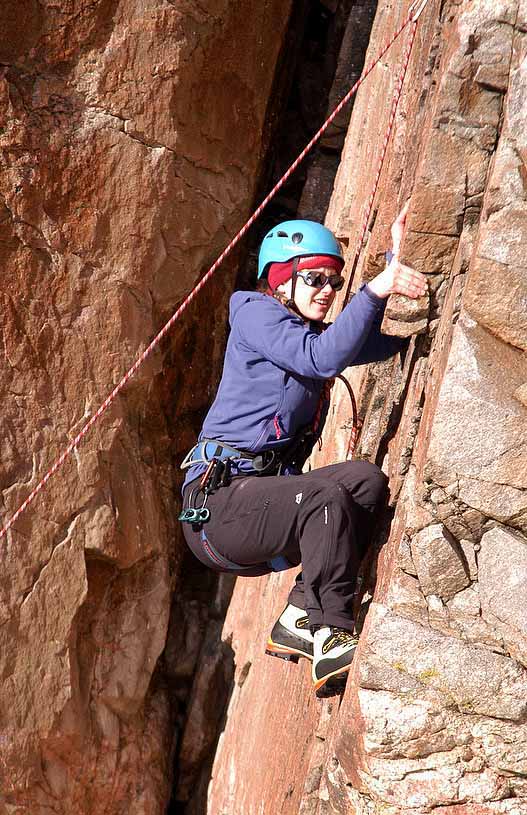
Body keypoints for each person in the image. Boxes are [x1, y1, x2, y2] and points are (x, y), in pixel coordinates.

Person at [180, 202, 427, 692]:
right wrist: (378, 286)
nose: (328, 290)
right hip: (218, 508)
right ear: (280, 279)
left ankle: (299, 615)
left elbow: (369, 340)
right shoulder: (254, 314)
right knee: (322, 498)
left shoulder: (304, 332)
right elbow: (321, 359)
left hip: (259, 500)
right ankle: (332, 630)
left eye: (333, 281)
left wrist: (397, 263)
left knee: (364, 483)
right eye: (314, 278)